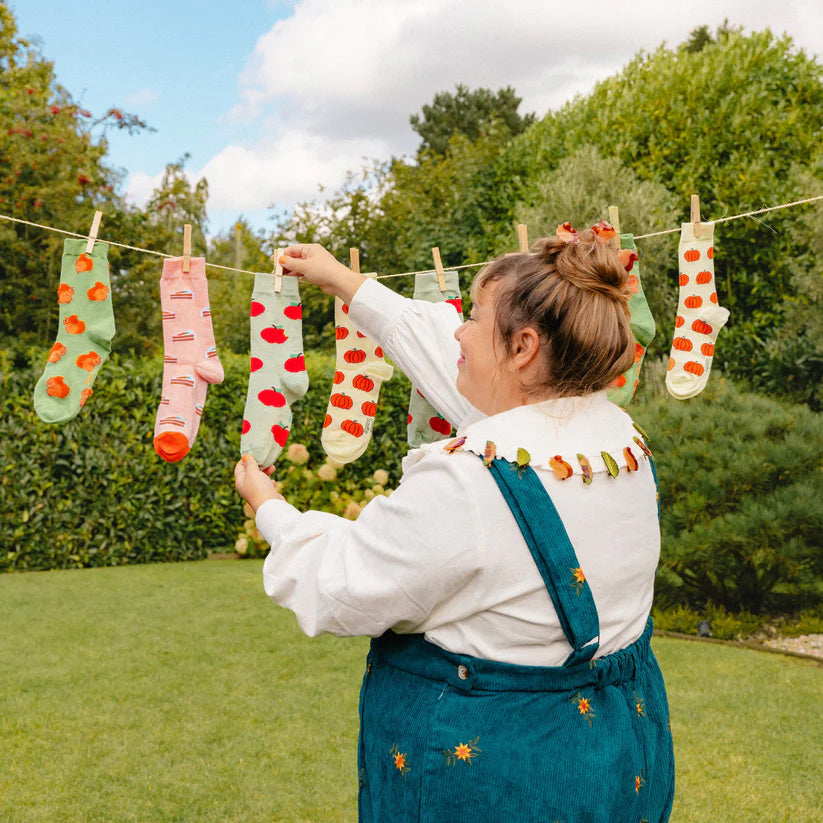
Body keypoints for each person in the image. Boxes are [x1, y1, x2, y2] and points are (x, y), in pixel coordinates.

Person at [234, 225, 675, 823]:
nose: (458, 331)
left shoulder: (468, 485)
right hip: (618, 758)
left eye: (472, 316)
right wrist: (344, 281)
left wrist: (272, 510)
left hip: (492, 779)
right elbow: (448, 355)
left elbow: (338, 586)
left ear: (522, 348)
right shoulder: (621, 442)